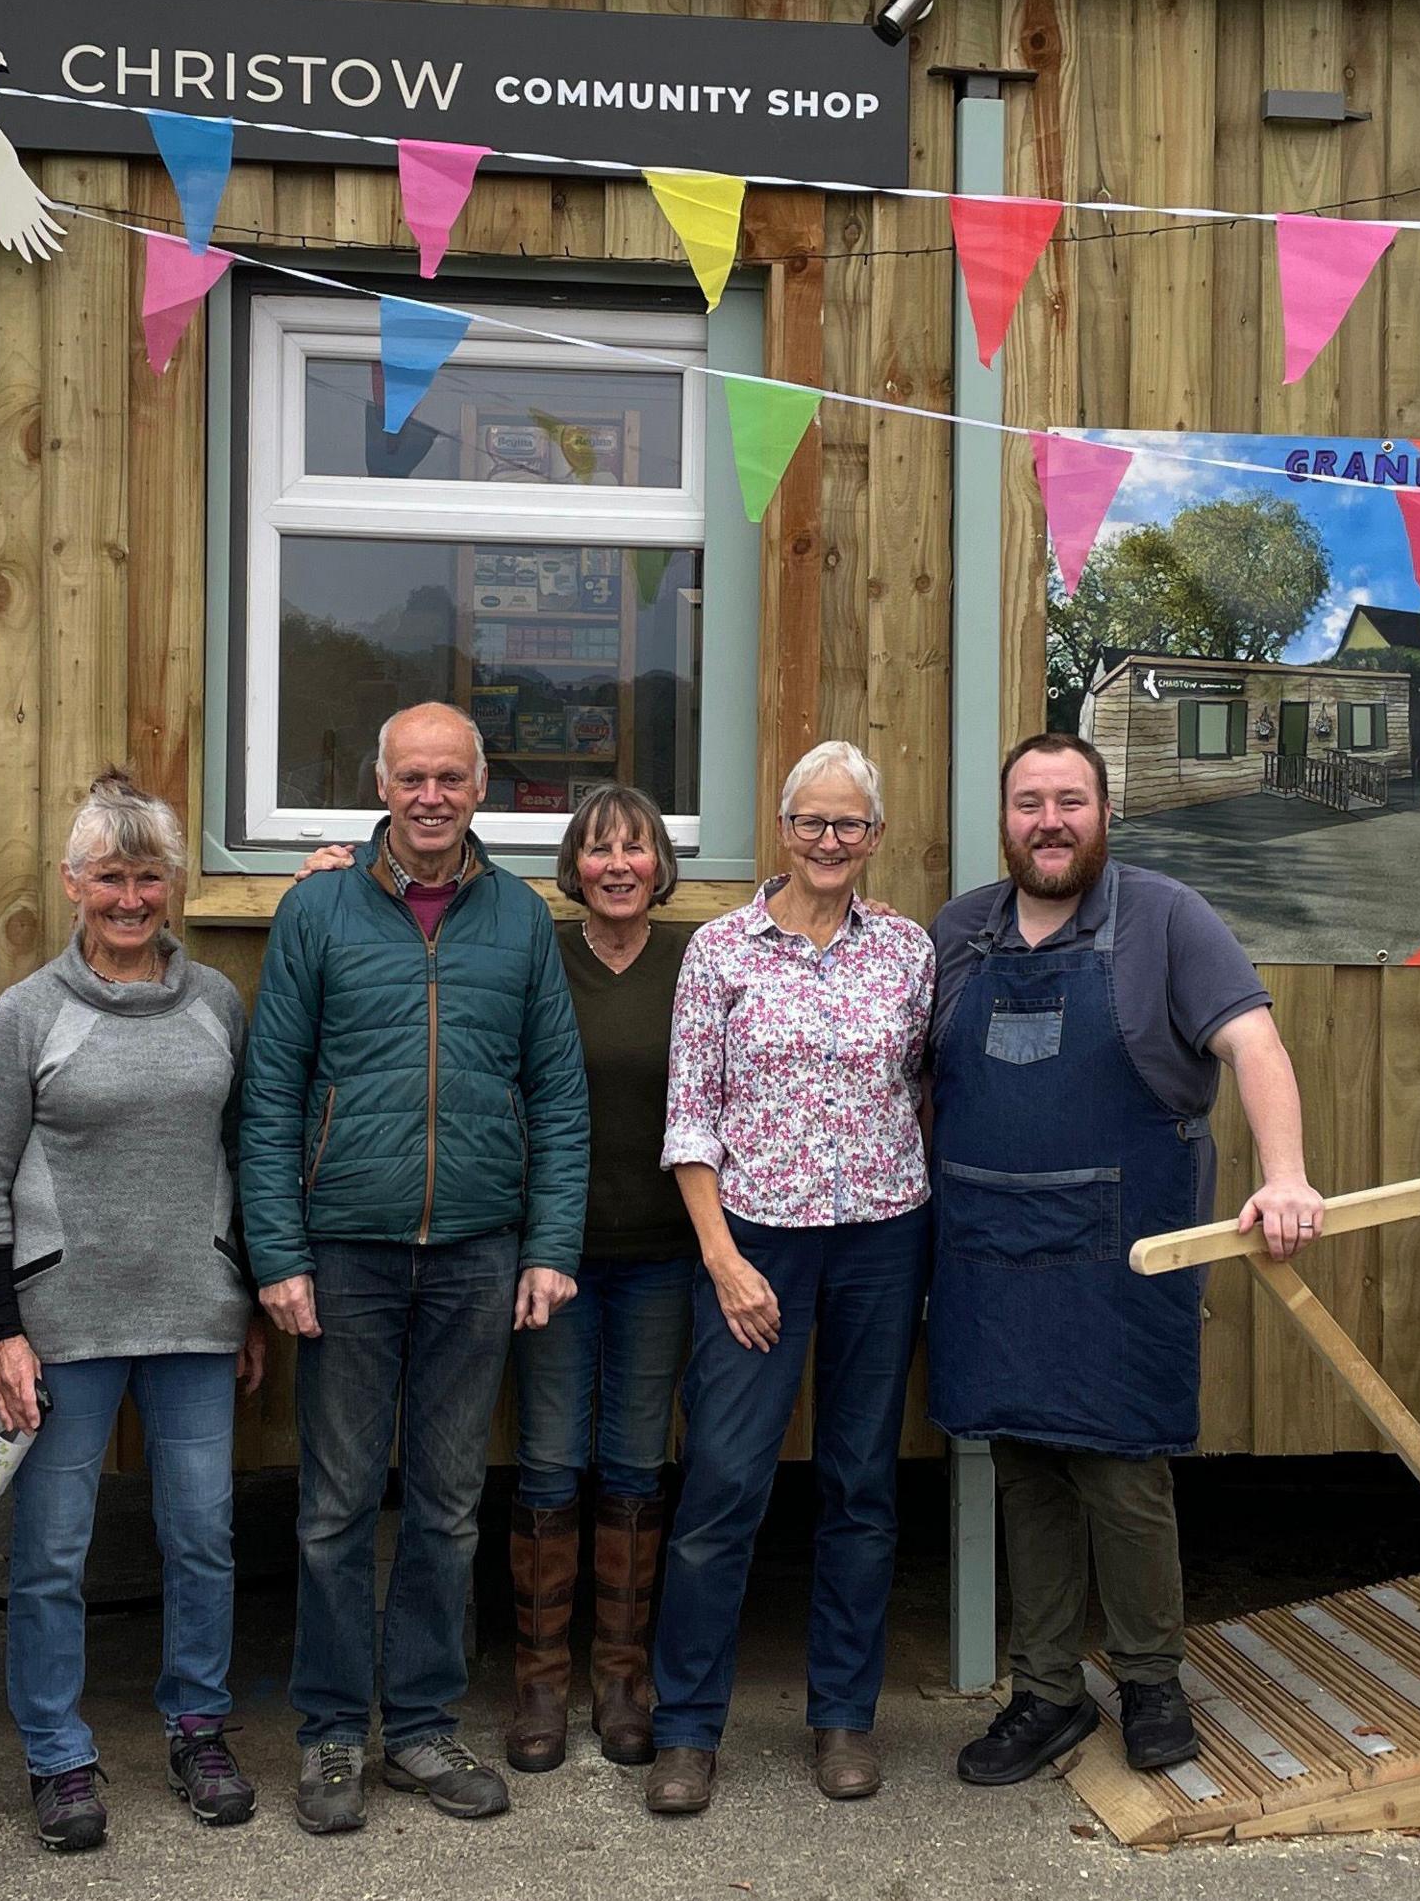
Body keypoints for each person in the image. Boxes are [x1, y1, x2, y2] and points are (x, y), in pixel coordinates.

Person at [930, 733, 1327, 1787]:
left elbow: (1255, 1043)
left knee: (1120, 1468)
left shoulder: (1165, 918)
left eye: (1069, 801)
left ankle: (1151, 1678)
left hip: (1119, 1254)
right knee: (1022, 1465)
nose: (1048, 821)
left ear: (1105, 815)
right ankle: (1047, 1693)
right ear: (1004, 817)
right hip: (988, 1250)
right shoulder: (961, 931)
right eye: (1028, 802)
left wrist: (1284, 1173)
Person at [239, 701, 591, 1835]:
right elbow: (272, 1096)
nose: (430, 796)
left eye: (450, 777)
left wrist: (549, 1243)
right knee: (336, 1506)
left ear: (480, 788)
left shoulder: (521, 918)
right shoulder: (319, 910)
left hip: (481, 1251)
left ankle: (426, 1728)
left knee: (445, 1508)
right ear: (381, 785)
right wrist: (277, 1254)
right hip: (344, 1248)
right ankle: (334, 1734)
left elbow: (559, 1095)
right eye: (412, 777)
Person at [0, 770, 266, 1854]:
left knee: (202, 1536)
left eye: (148, 876)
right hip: (63, 1325)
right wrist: (2, 1327)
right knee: (53, 1550)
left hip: (196, 1311)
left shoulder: (217, 1004)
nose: (130, 898)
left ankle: (198, 1725)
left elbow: (243, 1156)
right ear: (71, 883)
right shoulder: (27, 1015)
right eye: (109, 877)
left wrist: (253, 1300)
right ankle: (56, 1753)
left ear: (174, 884)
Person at [640, 743, 936, 1814]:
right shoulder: (720, 952)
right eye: (810, 822)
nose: (827, 842)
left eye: (848, 825)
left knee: (861, 1488)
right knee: (723, 1484)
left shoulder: (907, 951)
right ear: (782, 828)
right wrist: (724, 1261)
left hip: (882, 1242)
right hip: (753, 1243)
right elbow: (690, 1115)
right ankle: (686, 1730)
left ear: (875, 837)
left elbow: (920, 1091)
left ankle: (845, 1718)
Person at [508, 786, 700, 1771]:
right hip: (557, 1257)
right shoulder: (543, 954)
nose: (617, 864)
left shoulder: (697, 958)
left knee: (632, 1463)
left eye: (636, 847)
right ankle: (540, 1682)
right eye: (597, 849)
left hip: (664, 1254)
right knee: (548, 1461)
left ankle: (624, 1677)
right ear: (574, 865)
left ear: (661, 864)